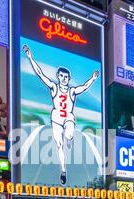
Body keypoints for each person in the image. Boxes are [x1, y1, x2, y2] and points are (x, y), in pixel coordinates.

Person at [23, 44, 99, 186]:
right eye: (62, 76)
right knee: (59, 145)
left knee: (69, 134)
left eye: (66, 77)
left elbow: (84, 87)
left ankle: (69, 137)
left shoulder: (72, 91)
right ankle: (63, 170)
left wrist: (93, 78)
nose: (64, 78)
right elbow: (40, 74)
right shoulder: (54, 87)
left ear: (69, 78)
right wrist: (30, 57)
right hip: (56, 118)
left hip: (68, 117)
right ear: (58, 76)